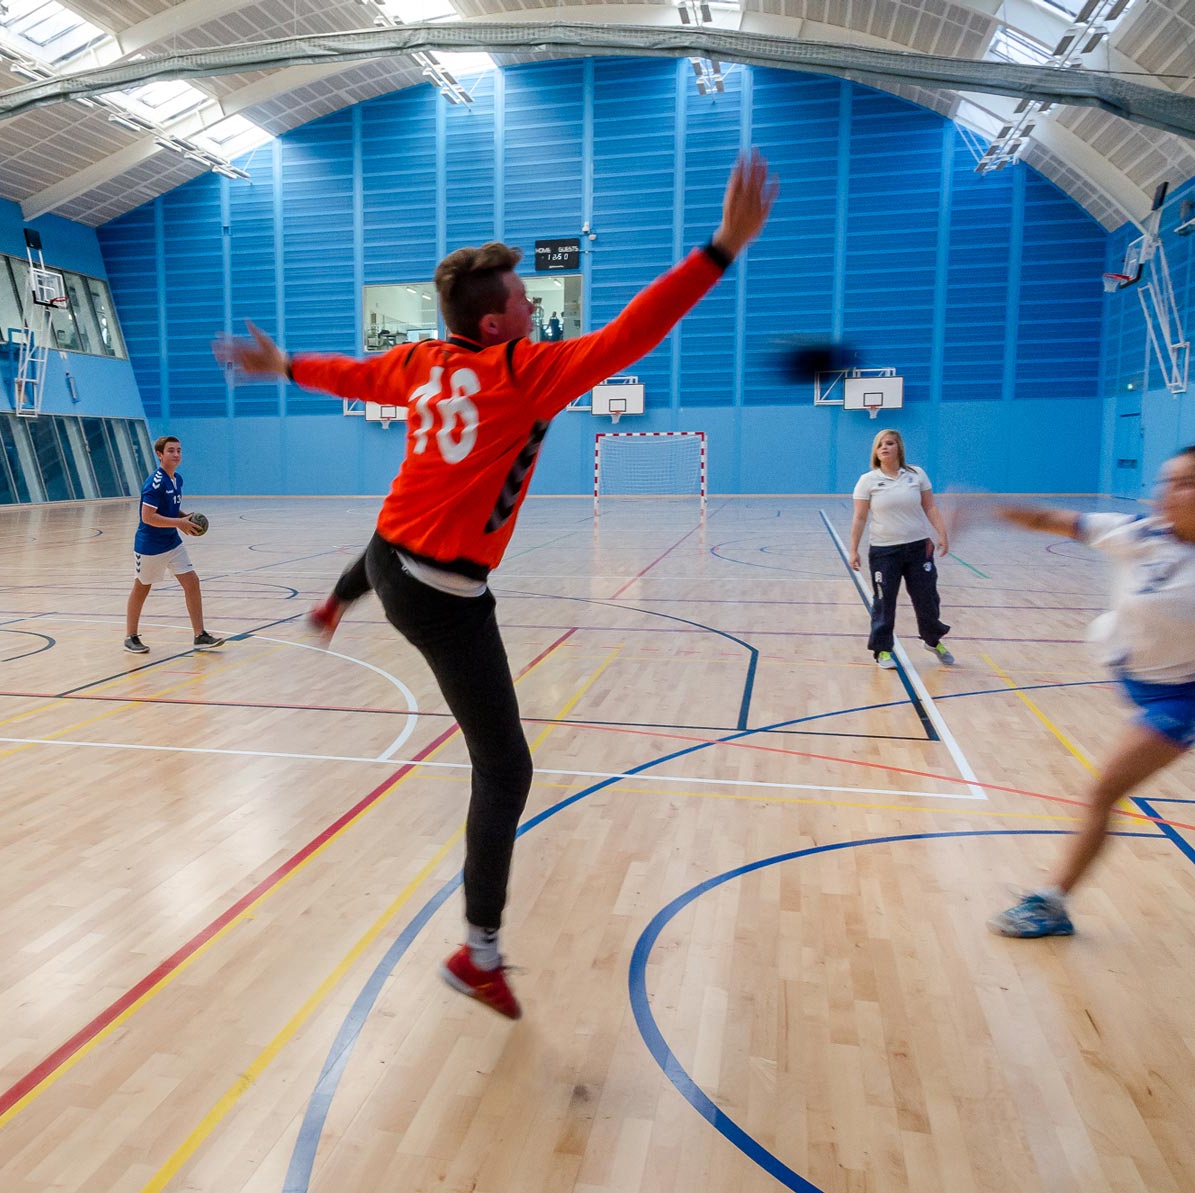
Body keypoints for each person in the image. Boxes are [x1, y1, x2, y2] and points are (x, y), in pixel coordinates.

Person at [216, 152, 775, 1019]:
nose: (534, 309)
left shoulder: (419, 362)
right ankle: (479, 952)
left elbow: (349, 375)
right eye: (522, 301)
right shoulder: (523, 373)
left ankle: (339, 598)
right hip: (440, 594)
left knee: (386, 538)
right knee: (505, 768)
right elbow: (633, 333)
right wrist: (721, 248)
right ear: (492, 324)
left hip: (390, 560)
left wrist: (284, 365)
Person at [989, 445, 1195, 938]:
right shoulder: (1137, 534)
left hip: (1181, 699)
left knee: (1103, 790)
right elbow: (1051, 518)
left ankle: (1053, 904)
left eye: (1184, 484)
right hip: (1128, 670)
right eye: (1165, 481)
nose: (1165, 493)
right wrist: (982, 508)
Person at [847, 428, 955, 669]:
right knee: (885, 602)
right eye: (880, 445)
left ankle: (932, 639)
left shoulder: (916, 474)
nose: (884, 448)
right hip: (885, 551)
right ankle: (882, 650)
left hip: (918, 548)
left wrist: (942, 533)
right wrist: (853, 550)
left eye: (889, 443)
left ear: (899, 448)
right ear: (875, 452)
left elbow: (930, 507)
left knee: (926, 598)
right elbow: (859, 518)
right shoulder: (868, 481)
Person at [124, 435, 224, 654]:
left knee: (192, 582)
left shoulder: (177, 479)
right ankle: (130, 637)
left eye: (179, 450)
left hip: (172, 542)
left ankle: (200, 635)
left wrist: (184, 517)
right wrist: (179, 522)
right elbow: (148, 516)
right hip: (150, 545)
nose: (176, 454)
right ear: (160, 455)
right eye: (171, 450)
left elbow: (168, 509)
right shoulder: (155, 482)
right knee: (142, 588)